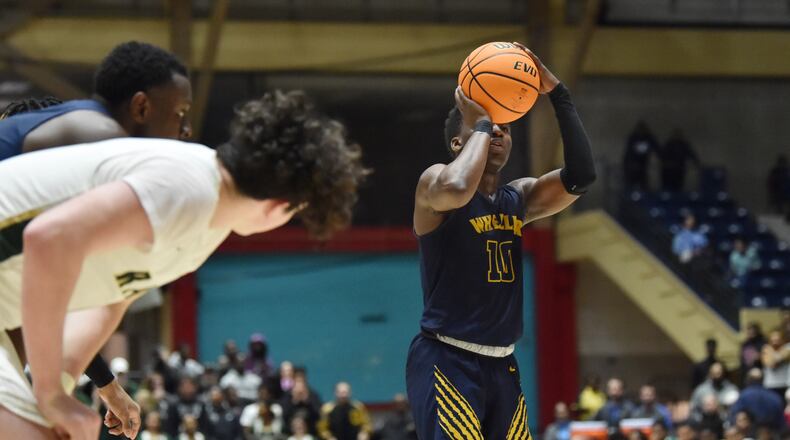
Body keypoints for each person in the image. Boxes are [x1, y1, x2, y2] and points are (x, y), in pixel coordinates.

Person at [0, 89, 368, 439]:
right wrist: (50, 396)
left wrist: (80, 386)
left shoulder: (209, 223)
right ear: (277, 206)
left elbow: (114, 297)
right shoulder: (185, 187)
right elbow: (47, 239)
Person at [0, 40, 194, 439]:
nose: (185, 131)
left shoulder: (82, 139)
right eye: (179, 114)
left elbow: (48, 301)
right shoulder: (103, 141)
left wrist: (105, 385)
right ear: (141, 107)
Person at [406, 42, 595, 440]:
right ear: (460, 142)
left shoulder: (518, 197)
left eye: (505, 128)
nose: (498, 132)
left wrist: (558, 95)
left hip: (502, 364)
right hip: (447, 358)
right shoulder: (434, 184)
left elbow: (581, 176)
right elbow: (459, 185)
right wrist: (479, 121)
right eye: (489, 128)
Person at [622, 120, 659, 189]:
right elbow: (628, 153)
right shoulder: (633, 138)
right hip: (632, 168)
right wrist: (628, 165)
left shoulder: (649, 138)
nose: (641, 132)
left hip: (643, 167)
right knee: (630, 185)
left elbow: (657, 149)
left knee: (643, 185)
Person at [761, 330, 790, 399]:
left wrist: (771, 352)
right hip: (770, 385)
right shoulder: (766, 349)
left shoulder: (787, 348)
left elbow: (783, 357)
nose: (775, 342)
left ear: (782, 340)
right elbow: (770, 364)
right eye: (773, 340)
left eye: (777, 340)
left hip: (784, 384)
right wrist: (775, 355)